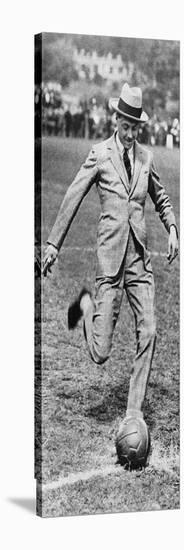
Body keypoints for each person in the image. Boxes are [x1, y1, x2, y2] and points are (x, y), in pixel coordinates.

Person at [43, 82, 178, 424]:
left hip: (138, 260)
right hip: (109, 260)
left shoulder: (147, 157)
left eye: (136, 128)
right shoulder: (99, 154)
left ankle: (133, 414)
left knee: (149, 331)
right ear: (116, 120)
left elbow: (160, 199)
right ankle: (86, 305)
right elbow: (73, 195)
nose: (131, 134)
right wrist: (53, 244)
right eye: (126, 126)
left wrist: (173, 229)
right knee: (100, 352)